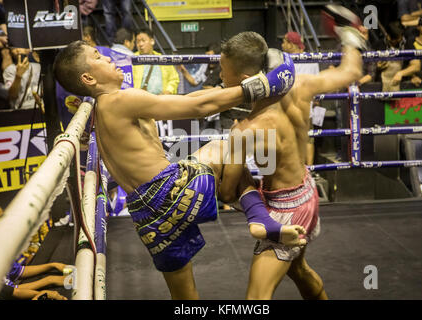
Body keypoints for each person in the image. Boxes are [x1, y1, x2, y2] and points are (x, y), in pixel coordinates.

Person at [53, 40, 301, 299]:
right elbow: (198, 108)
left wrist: (230, 89)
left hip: (147, 217)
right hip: (169, 191)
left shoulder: (100, 108)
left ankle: (255, 214)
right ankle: (257, 215)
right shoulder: (118, 99)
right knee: (222, 145)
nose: (108, 58)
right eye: (98, 57)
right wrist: (262, 86)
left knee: (184, 296)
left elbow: (188, 98)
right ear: (88, 77)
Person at [218, 9, 364, 300]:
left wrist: (220, 167)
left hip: (287, 213)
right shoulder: (300, 86)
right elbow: (351, 71)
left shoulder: (246, 130)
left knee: (256, 299)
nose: (220, 76)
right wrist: (351, 37)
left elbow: (225, 193)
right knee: (298, 271)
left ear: (245, 79)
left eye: (223, 72)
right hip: (307, 192)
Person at [281, 31, 320, 166]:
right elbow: (316, 84)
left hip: (291, 108)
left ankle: (299, 172)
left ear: (291, 44)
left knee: (294, 139)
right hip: (306, 107)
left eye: (285, 41)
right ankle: (308, 170)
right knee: (307, 139)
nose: (282, 44)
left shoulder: (286, 61)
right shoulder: (312, 59)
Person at [392, 13, 422, 88]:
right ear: (418, 27)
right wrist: (413, 77)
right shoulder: (410, 43)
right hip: (416, 84)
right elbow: (411, 64)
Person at [133, 28, 179, 95]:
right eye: (138, 42)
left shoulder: (162, 59)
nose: (140, 44)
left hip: (161, 100)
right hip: (140, 100)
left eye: (143, 40)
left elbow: (174, 79)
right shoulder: (133, 59)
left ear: (152, 41)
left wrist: (168, 91)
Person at [378, 21, 406, 92]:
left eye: (397, 39)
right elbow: (370, 66)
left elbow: (415, 66)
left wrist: (401, 73)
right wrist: (377, 66)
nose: (394, 41)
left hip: (404, 83)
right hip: (381, 84)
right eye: (391, 38)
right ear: (387, 34)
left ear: (402, 36)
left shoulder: (408, 44)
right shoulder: (378, 45)